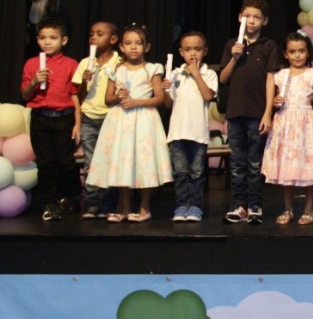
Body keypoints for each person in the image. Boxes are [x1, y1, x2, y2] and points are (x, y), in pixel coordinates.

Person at [86, 25, 171, 222]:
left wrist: (136, 102)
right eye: (128, 43)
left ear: (146, 47)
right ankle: (124, 207)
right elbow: (107, 99)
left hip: (144, 120)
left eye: (138, 43)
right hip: (121, 120)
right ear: (122, 47)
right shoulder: (116, 69)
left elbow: (159, 98)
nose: (133, 47)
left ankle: (144, 208)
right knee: (123, 162)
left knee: (144, 162)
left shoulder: (152, 69)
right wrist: (118, 96)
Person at [220, 0, 281, 224]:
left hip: (257, 113)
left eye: (257, 17)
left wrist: (267, 113)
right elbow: (223, 78)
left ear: (265, 20)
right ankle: (239, 205)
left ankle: (255, 205)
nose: (252, 21)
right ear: (240, 18)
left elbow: (270, 79)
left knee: (255, 163)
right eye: (247, 16)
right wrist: (234, 58)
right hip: (235, 112)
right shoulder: (232, 44)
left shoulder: (268, 46)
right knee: (237, 163)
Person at [20, 16, 82, 220]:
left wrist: (78, 123)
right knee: (45, 163)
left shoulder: (71, 64)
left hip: (64, 118)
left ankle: (73, 196)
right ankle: (49, 202)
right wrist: (34, 81)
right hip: (41, 118)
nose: (47, 42)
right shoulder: (32, 64)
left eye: (53, 38)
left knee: (65, 162)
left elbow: (76, 96)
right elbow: (25, 95)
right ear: (37, 39)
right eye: (43, 38)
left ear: (63, 40)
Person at [262, 32, 313, 225]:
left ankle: (309, 209)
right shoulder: (280, 75)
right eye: (292, 52)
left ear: (308, 52)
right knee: (286, 168)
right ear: (285, 54)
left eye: (301, 51)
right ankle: (288, 209)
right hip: (285, 123)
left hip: (306, 123)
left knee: (308, 165)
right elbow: (273, 99)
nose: (297, 55)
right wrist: (275, 102)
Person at [162, 31, 218, 222]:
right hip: (177, 132)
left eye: (197, 49)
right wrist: (165, 90)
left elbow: (208, 96)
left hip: (198, 133)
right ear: (181, 52)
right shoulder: (175, 74)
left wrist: (196, 73)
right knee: (180, 173)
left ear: (205, 51)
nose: (193, 53)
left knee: (196, 173)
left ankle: (195, 206)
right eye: (188, 49)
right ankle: (181, 206)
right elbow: (168, 104)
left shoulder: (209, 74)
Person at [72, 21, 120, 219]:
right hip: (89, 118)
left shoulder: (119, 62)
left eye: (100, 34)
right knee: (91, 162)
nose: (93, 37)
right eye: (91, 33)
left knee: (110, 161)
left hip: (111, 117)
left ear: (113, 39)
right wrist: (84, 80)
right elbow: (78, 95)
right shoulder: (85, 63)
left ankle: (109, 204)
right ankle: (93, 202)